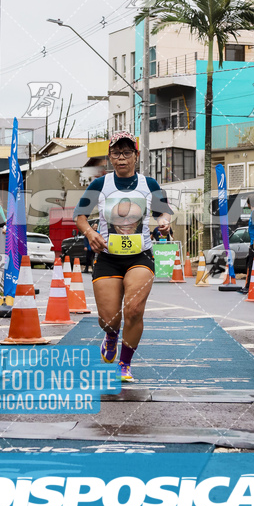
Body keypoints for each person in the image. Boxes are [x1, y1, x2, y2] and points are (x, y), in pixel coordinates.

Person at [73, 131, 172, 382]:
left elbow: (164, 214)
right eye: (116, 153)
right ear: (110, 157)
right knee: (108, 320)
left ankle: (125, 364)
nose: (122, 158)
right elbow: (80, 216)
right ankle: (110, 335)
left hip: (141, 256)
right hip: (107, 257)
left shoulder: (150, 185)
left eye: (127, 152)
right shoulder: (99, 185)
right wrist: (89, 232)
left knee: (134, 310)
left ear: (136, 156)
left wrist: (164, 223)